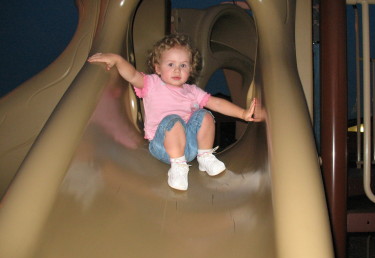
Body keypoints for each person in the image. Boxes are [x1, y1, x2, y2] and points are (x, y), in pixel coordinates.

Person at [88, 33, 256, 191]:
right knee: (173, 120)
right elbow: (131, 75)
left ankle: (205, 157)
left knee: (204, 115)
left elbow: (216, 103)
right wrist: (117, 60)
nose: (177, 70)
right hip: (162, 146)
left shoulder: (192, 91)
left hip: (190, 145)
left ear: (190, 69)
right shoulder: (151, 83)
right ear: (158, 68)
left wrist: (242, 114)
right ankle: (178, 167)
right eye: (171, 64)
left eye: (183, 65)